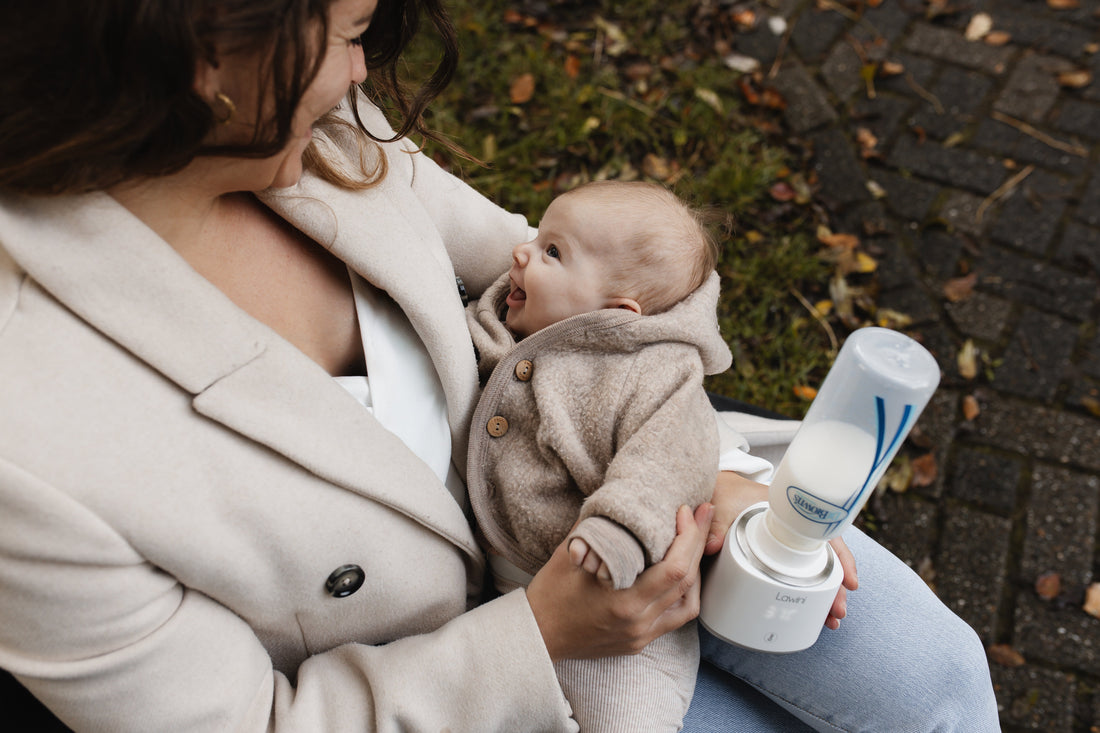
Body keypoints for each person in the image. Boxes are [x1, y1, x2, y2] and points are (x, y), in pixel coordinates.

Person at [0, 0, 1001, 731]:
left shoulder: (296, 133)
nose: (361, 74)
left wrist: (694, 477)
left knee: (932, 673)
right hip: (469, 681)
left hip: (611, 501)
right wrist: (543, 632)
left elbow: (590, 285)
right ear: (206, 52)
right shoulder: (29, 448)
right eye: (349, 35)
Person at [465, 180, 734, 731]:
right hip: (517, 603)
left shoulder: (649, 371)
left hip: (620, 604)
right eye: (538, 237)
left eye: (552, 251)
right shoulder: (499, 326)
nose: (521, 251)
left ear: (615, 312)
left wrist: (621, 532)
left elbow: (669, 459)